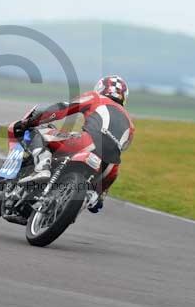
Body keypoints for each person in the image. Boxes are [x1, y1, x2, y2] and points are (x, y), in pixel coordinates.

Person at [19, 75, 135, 213]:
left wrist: (34, 119)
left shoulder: (96, 97)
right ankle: (93, 197)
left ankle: (42, 166)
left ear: (101, 87)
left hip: (85, 143)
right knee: (97, 198)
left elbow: (64, 108)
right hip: (111, 165)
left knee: (38, 132)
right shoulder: (130, 122)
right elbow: (124, 146)